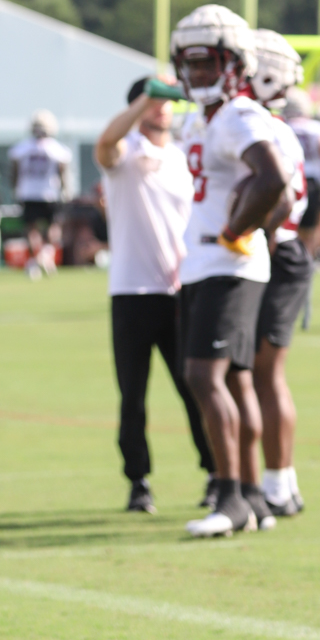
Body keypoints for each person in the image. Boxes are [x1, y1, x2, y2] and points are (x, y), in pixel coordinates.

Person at [171, 6, 288, 539]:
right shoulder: (206, 117)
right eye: (190, 65)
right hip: (205, 265)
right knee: (236, 381)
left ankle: (228, 492)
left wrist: (236, 230)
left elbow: (273, 182)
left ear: (233, 63)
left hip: (229, 265)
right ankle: (252, 497)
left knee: (203, 376)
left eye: (207, 63)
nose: (197, 75)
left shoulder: (241, 114)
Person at [95, 76, 215, 514]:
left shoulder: (182, 157)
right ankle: (138, 481)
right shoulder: (126, 154)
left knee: (196, 388)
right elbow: (106, 142)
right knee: (133, 395)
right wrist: (148, 96)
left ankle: (216, 473)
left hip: (181, 290)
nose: (163, 108)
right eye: (153, 101)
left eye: (167, 101)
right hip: (131, 291)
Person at [249, 32, 311, 517]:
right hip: (279, 252)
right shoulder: (267, 125)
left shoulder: (263, 128)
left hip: (274, 251)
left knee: (263, 374)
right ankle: (281, 482)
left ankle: (274, 482)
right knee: (263, 375)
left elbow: (283, 203)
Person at [283, 87, 320, 261]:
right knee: (311, 230)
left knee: (288, 228)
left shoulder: (280, 126)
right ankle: (306, 263)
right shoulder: (316, 129)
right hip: (311, 182)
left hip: (286, 181)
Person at [8, 110, 71, 235]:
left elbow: (15, 171)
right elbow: (62, 172)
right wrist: (65, 191)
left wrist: (15, 189)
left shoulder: (22, 148)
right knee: (53, 225)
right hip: (50, 193)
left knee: (31, 228)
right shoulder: (56, 148)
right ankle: (51, 252)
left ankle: (36, 253)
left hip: (28, 193)